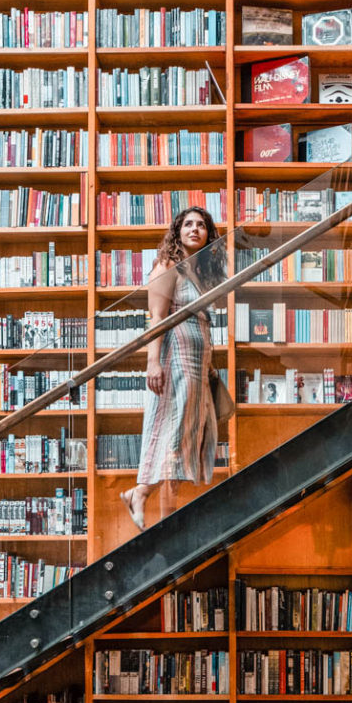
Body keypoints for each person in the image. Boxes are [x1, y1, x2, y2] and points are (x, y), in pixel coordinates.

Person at [120, 206, 226, 529]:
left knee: (183, 440)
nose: (195, 229)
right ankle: (144, 498)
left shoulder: (202, 274)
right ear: (177, 232)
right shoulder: (168, 266)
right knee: (173, 438)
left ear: (209, 234)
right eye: (188, 224)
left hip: (196, 366)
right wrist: (153, 362)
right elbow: (157, 318)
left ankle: (153, 507)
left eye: (202, 225)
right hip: (174, 361)